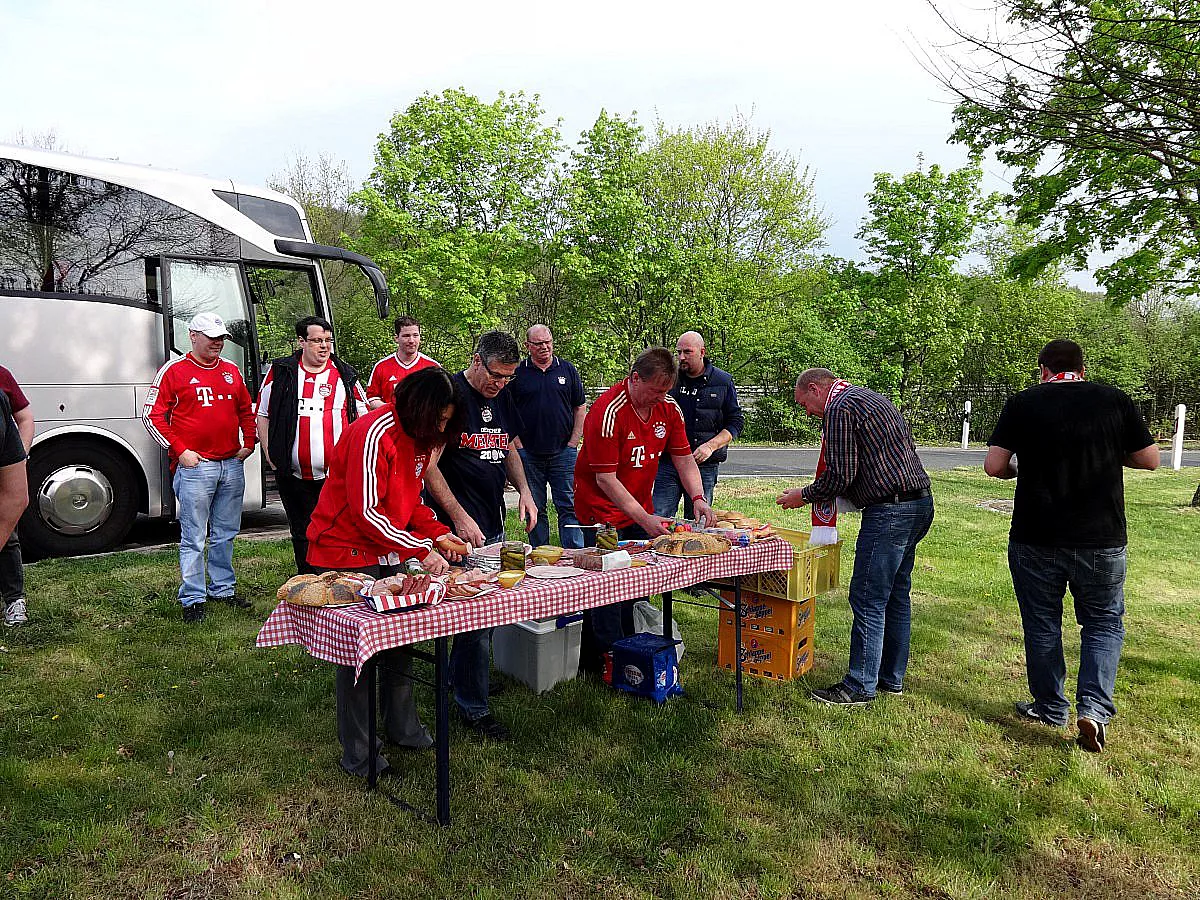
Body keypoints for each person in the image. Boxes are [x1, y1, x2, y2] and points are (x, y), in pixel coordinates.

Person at [984, 339, 1159, 753]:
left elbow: (994, 465)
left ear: (1043, 368)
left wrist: (1019, 468)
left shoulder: (1024, 403)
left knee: (1042, 622)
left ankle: (1050, 707)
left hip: (1035, 535)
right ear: (1083, 367)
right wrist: (1110, 454)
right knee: (1102, 623)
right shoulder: (1114, 401)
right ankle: (1094, 710)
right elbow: (1150, 459)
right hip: (1100, 538)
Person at [306, 366, 470, 778]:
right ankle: (360, 755)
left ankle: (403, 727)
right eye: (440, 419)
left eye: (448, 422)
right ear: (419, 408)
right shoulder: (373, 432)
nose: (443, 428)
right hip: (343, 549)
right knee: (357, 656)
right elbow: (366, 511)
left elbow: (408, 502)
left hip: (385, 547)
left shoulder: (419, 438)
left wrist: (438, 533)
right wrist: (420, 546)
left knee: (400, 637)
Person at [777, 368, 933, 707]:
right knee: (895, 595)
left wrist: (803, 495)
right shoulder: (869, 397)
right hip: (919, 502)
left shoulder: (840, 408)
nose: (807, 413)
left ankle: (860, 685)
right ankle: (890, 678)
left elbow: (840, 473)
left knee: (868, 597)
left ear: (816, 390)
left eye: (805, 404)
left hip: (890, 512)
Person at [573, 348, 716, 672]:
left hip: (639, 507)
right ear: (635, 379)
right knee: (605, 585)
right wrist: (645, 518)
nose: (659, 399)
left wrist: (698, 497)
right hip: (601, 512)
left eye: (665, 392)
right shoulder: (608, 412)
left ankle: (630, 647)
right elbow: (606, 479)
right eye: (654, 392)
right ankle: (603, 660)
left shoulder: (669, 409)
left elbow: (683, 458)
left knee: (634, 581)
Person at [425, 330, 537, 741]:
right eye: (495, 375)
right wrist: (455, 515)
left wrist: (524, 491)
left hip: (489, 519)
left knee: (486, 609)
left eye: (508, 377)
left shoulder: (503, 394)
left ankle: (466, 680)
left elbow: (507, 447)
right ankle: (473, 706)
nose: (500, 383)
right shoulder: (450, 395)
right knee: (469, 612)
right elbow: (429, 464)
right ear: (476, 360)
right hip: (450, 527)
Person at [142, 313, 256, 624]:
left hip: (231, 464)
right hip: (196, 467)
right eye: (210, 336)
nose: (217, 342)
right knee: (193, 536)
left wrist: (250, 441)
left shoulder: (232, 372)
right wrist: (181, 451)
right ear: (193, 336)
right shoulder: (174, 371)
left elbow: (246, 409)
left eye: (221, 337)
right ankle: (193, 597)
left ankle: (223, 589)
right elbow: (152, 415)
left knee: (225, 533)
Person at [257, 316, 368, 575]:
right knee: (302, 531)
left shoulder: (345, 374)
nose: (324, 347)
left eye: (328, 341)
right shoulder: (281, 372)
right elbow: (263, 414)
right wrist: (270, 454)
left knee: (338, 529)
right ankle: (308, 582)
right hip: (293, 474)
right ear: (301, 341)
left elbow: (363, 416)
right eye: (317, 341)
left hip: (335, 476)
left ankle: (340, 581)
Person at [508, 324, 587, 550]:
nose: (544, 347)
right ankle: (541, 554)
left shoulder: (567, 370)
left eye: (547, 342)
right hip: (528, 453)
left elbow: (580, 407)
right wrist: (518, 446)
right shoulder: (518, 373)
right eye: (538, 344)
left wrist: (573, 443)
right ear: (528, 346)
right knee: (536, 506)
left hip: (563, 452)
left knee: (568, 505)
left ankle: (574, 553)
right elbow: (507, 411)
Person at [653, 331, 744, 521]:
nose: (681, 357)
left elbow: (735, 422)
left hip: (704, 465)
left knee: (698, 520)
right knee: (659, 517)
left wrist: (711, 446)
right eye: (678, 352)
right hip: (669, 463)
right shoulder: (671, 380)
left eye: (687, 352)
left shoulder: (722, 381)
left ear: (702, 352)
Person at [0, 365, 32, 627]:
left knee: (8, 534)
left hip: (5, 469)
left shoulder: (2, 376)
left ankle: (14, 600)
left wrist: (18, 456)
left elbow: (24, 418)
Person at [365, 315, 440, 410]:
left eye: (415, 335)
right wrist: (393, 410)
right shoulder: (381, 366)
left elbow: (442, 399)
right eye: (406, 336)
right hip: (392, 422)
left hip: (424, 423)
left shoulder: (433, 367)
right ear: (396, 338)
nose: (411, 340)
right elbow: (371, 399)